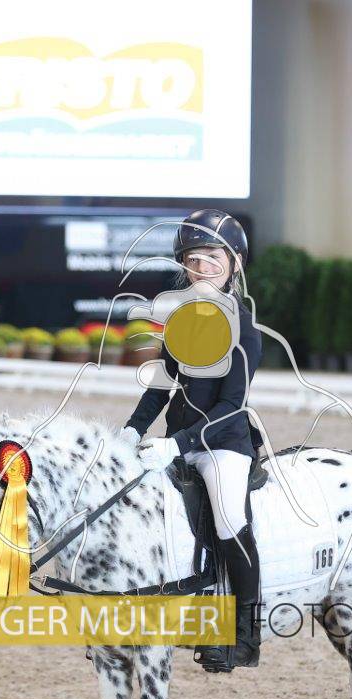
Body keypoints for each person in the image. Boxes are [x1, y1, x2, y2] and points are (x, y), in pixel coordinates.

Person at [119, 209, 264, 673]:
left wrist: (177, 445)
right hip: (176, 440)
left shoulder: (244, 328)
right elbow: (161, 386)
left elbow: (232, 406)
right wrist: (133, 429)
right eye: (192, 259)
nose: (201, 267)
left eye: (211, 257)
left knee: (228, 519)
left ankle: (245, 635)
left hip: (223, 445)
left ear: (234, 263)